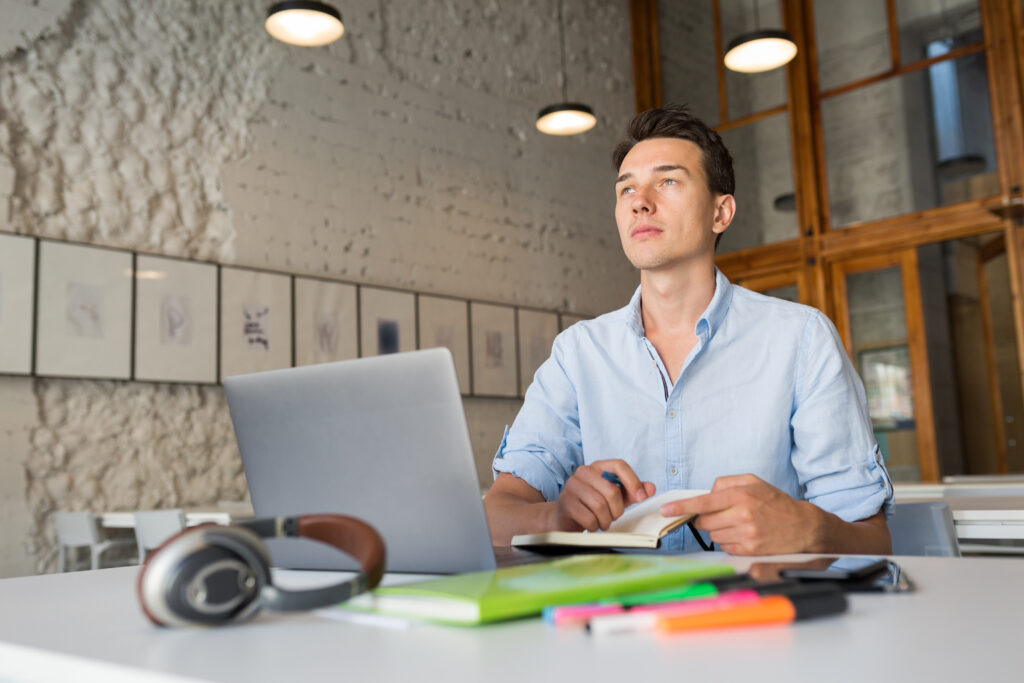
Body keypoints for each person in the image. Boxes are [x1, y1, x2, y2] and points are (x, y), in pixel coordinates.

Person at [483, 104, 893, 555]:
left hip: (759, 615)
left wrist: (809, 531)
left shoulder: (802, 340)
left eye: (668, 181)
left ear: (721, 213)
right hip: (615, 618)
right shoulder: (578, 353)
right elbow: (495, 517)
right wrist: (556, 516)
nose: (640, 200)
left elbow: (873, 540)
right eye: (626, 190)